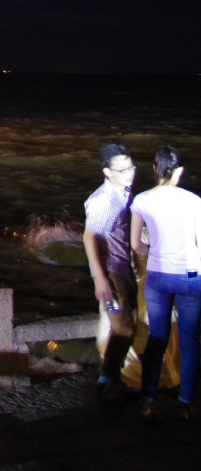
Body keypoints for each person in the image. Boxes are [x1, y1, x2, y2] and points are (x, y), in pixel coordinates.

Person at [131, 145, 201, 421]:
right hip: (191, 276)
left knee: (156, 337)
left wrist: (154, 252)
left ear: (154, 169)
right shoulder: (195, 202)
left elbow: (136, 243)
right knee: (190, 339)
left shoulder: (142, 200)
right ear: (180, 171)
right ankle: (186, 403)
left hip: (158, 276)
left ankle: (149, 401)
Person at [82, 142, 138, 402]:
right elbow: (88, 237)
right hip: (113, 272)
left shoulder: (123, 192)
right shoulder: (103, 200)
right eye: (122, 169)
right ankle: (107, 380)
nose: (129, 173)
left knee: (127, 324)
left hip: (123, 269)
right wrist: (100, 278)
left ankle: (112, 379)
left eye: (131, 167)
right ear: (107, 172)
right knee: (123, 327)